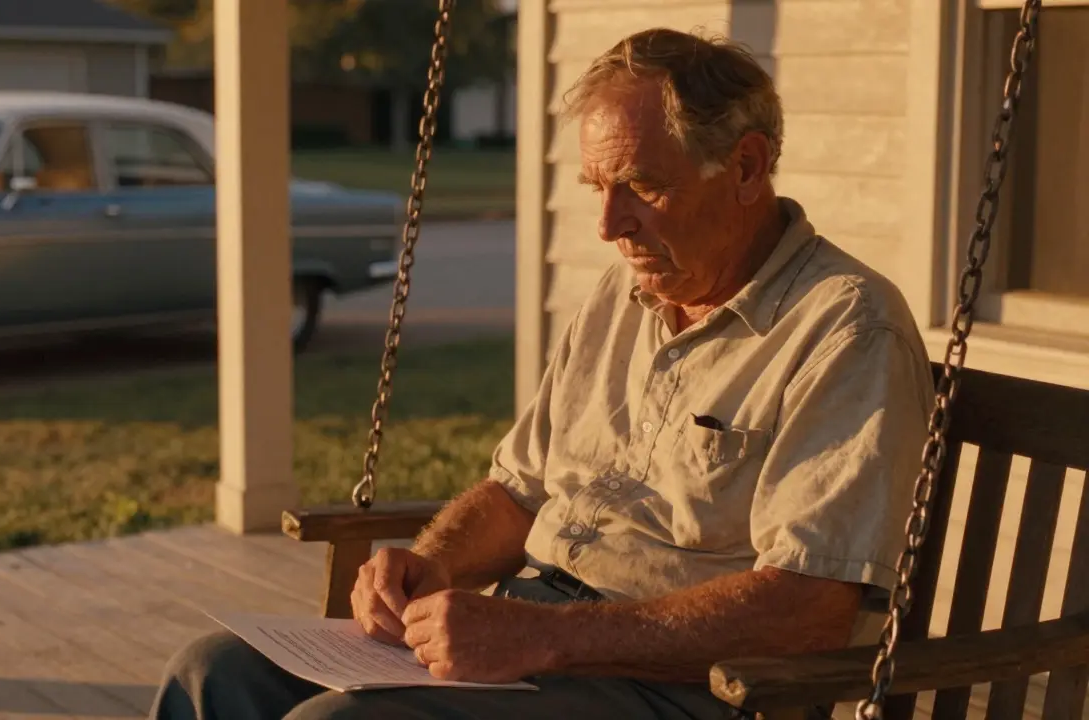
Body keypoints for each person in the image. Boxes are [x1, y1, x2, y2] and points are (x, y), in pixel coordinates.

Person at [149, 26, 934, 720]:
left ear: (746, 167)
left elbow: (809, 610)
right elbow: (519, 491)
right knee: (213, 677)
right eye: (599, 187)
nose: (608, 224)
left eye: (644, 187)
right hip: (534, 644)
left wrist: (545, 637)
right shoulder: (627, 294)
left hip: (679, 687)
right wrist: (431, 566)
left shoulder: (845, 329)